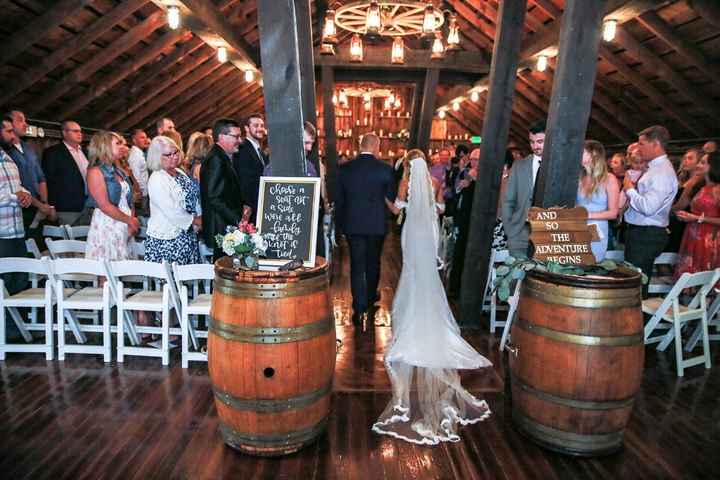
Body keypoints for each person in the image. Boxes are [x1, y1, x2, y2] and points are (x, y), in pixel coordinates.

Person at [373, 149, 491, 445]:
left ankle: (411, 312)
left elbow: (398, 208)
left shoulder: (406, 182)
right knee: (426, 272)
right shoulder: (435, 183)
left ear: (409, 166)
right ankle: (428, 311)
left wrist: (387, 200)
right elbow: (440, 210)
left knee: (411, 270)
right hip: (430, 232)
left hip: (411, 232)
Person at [335, 133, 396, 325]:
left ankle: (359, 305)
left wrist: (341, 225)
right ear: (376, 147)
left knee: (356, 265)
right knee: (373, 263)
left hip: (353, 224)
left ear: (360, 146)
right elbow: (391, 198)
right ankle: (370, 297)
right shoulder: (385, 170)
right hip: (377, 224)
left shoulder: (345, 170)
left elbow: (340, 200)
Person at [623, 126, 678, 297]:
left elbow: (648, 208)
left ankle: (638, 322)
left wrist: (629, 189)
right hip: (641, 232)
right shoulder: (654, 168)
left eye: (642, 144)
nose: (638, 148)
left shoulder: (662, 172)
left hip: (646, 234)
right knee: (634, 282)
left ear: (655, 144)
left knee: (636, 285)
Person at [144, 136, 201, 265]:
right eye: (168, 155)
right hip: (167, 240)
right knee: (171, 283)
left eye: (175, 152)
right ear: (157, 157)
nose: (174, 157)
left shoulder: (179, 172)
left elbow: (192, 196)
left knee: (188, 280)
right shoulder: (157, 178)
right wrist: (196, 220)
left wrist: (199, 214)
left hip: (187, 235)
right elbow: (172, 211)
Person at [84, 131, 139, 260]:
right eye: (118, 143)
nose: (123, 146)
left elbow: (128, 200)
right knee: (107, 271)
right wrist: (130, 220)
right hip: (107, 224)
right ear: (104, 146)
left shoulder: (119, 171)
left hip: (124, 222)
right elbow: (104, 206)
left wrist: (131, 220)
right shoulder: (95, 172)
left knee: (124, 271)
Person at [200, 118, 248, 260]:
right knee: (224, 272)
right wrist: (237, 220)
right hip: (220, 227)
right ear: (221, 137)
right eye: (236, 136)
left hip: (225, 225)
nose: (240, 140)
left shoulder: (222, 156)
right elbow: (213, 197)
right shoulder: (216, 159)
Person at [502, 120, 546, 258]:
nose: (535, 146)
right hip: (519, 232)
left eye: (540, 141)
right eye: (532, 142)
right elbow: (508, 200)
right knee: (518, 277)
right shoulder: (519, 166)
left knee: (541, 278)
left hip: (548, 234)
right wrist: (510, 230)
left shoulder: (558, 166)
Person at [673, 152, 720, 279]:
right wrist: (683, 215)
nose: (698, 165)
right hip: (692, 234)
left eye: (703, 162)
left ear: (713, 166)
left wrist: (697, 218)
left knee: (705, 276)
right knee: (690, 274)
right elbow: (680, 206)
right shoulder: (699, 186)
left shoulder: (718, 189)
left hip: (710, 238)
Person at [4, 111, 52, 233]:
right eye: (20, 120)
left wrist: (44, 204)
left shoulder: (28, 147)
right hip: (19, 209)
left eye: (25, 120)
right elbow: (14, 186)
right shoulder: (5, 152)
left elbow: (40, 177)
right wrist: (39, 205)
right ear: (9, 124)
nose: (25, 124)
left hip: (38, 208)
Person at [576, 140, 620, 262]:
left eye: (582, 152)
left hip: (597, 229)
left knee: (592, 263)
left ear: (593, 154)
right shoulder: (579, 176)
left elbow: (613, 213)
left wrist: (588, 215)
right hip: (578, 227)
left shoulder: (609, 179)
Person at [232, 113, 267, 223]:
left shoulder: (260, 151)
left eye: (262, 125)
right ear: (246, 128)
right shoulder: (242, 149)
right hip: (251, 210)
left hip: (262, 207)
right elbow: (244, 183)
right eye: (256, 125)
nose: (260, 128)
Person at [127, 128, 150, 216]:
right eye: (142, 138)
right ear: (134, 140)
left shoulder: (140, 153)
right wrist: (140, 194)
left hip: (144, 193)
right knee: (143, 217)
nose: (146, 140)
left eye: (146, 137)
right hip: (142, 195)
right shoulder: (135, 155)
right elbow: (135, 177)